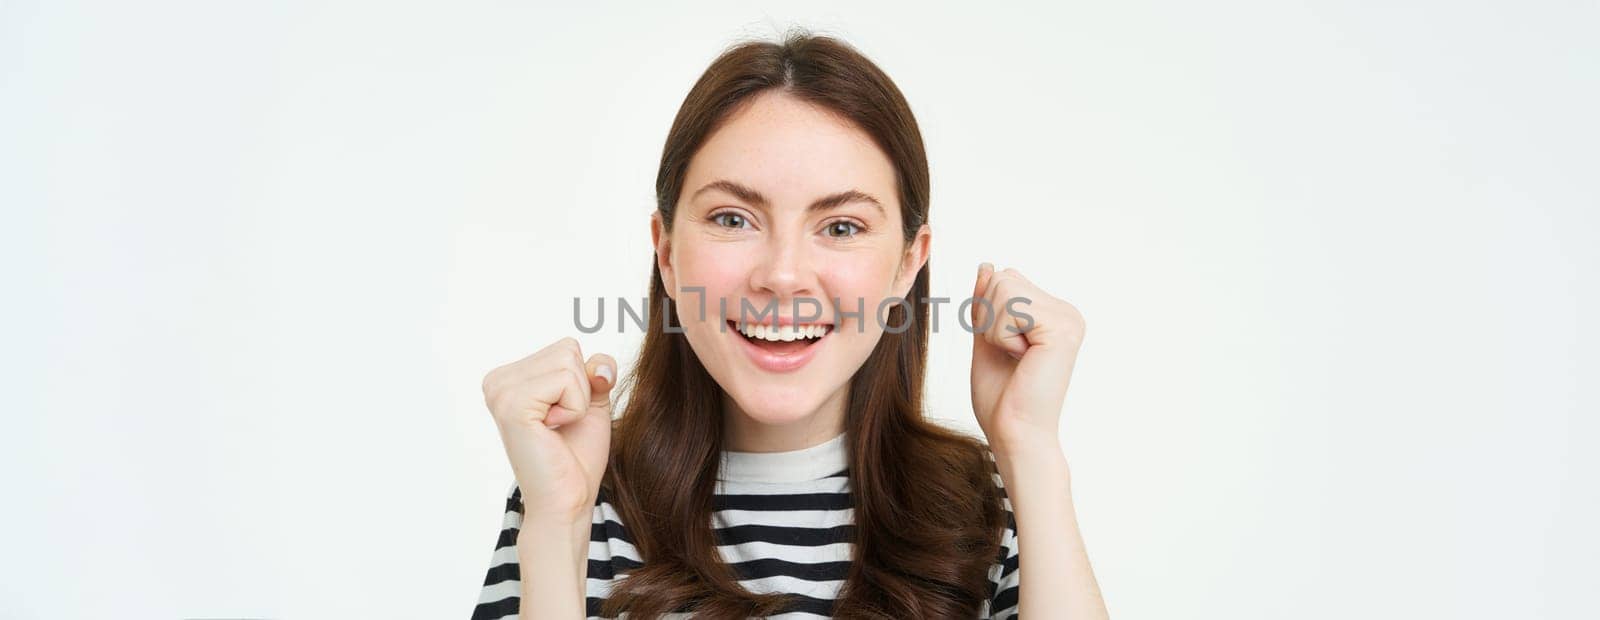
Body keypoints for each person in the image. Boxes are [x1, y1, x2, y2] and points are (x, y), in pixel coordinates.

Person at [472, 31, 1109, 619]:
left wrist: (1030, 447)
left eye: (840, 227)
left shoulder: (990, 505)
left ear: (907, 266)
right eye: (732, 219)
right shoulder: (573, 491)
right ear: (665, 251)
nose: (782, 276)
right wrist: (558, 528)